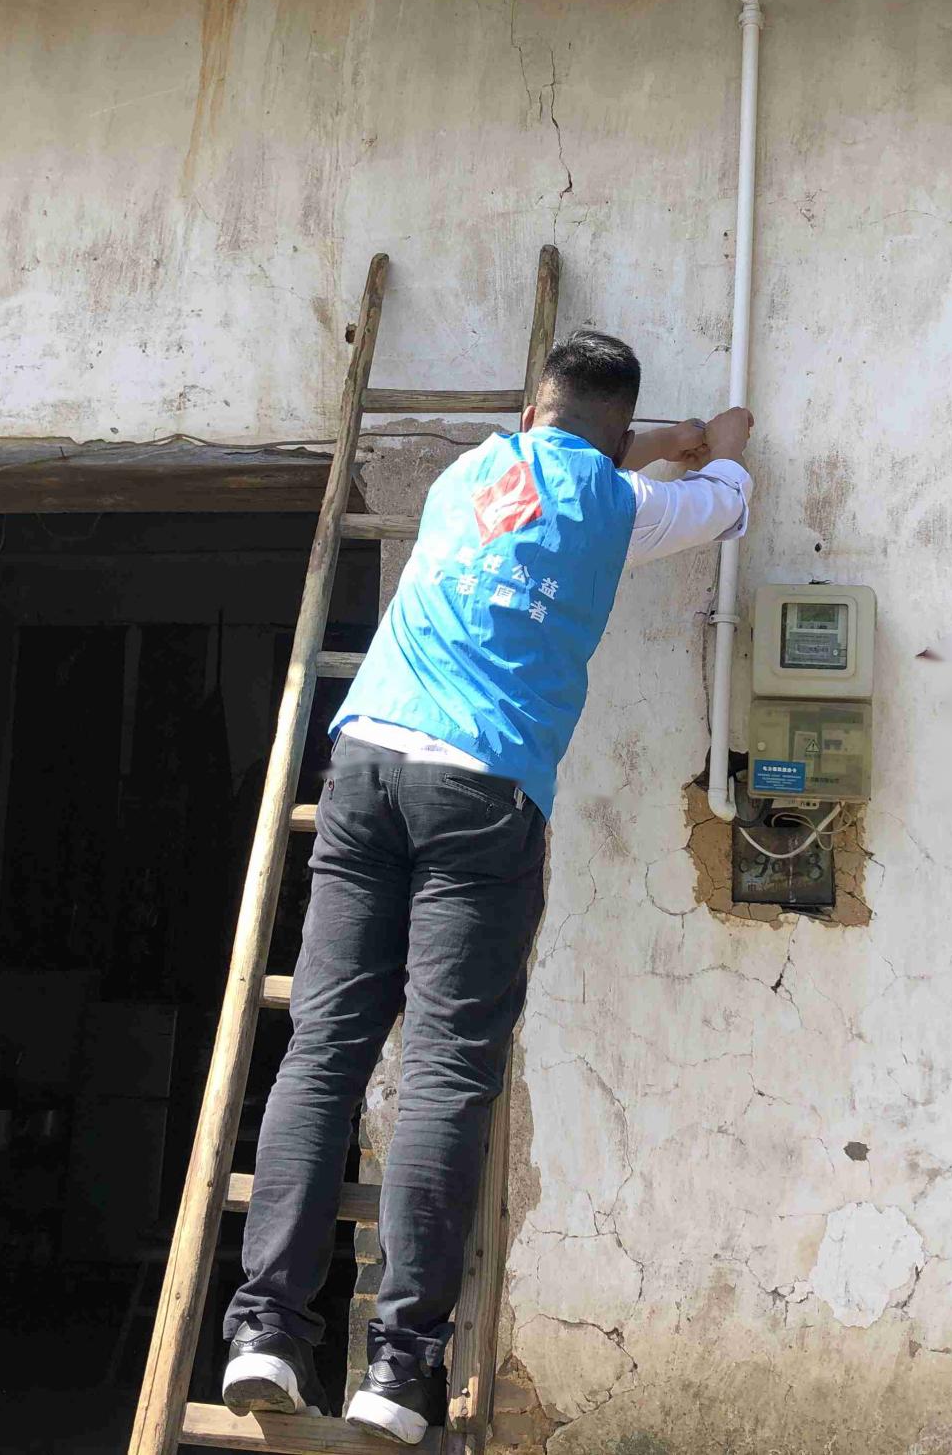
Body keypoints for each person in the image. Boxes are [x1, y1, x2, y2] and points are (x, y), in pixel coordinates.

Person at [220, 330, 753, 1444]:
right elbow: (720, 503)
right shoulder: (621, 509)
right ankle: (397, 1372)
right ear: (616, 434)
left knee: (322, 1050)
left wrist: (650, 439)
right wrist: (721, 445)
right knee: (445, 1072)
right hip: (482, 790)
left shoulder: (471, 470)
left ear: (529, 413)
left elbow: (574, 450)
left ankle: (262, 1333)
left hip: (366, 763)